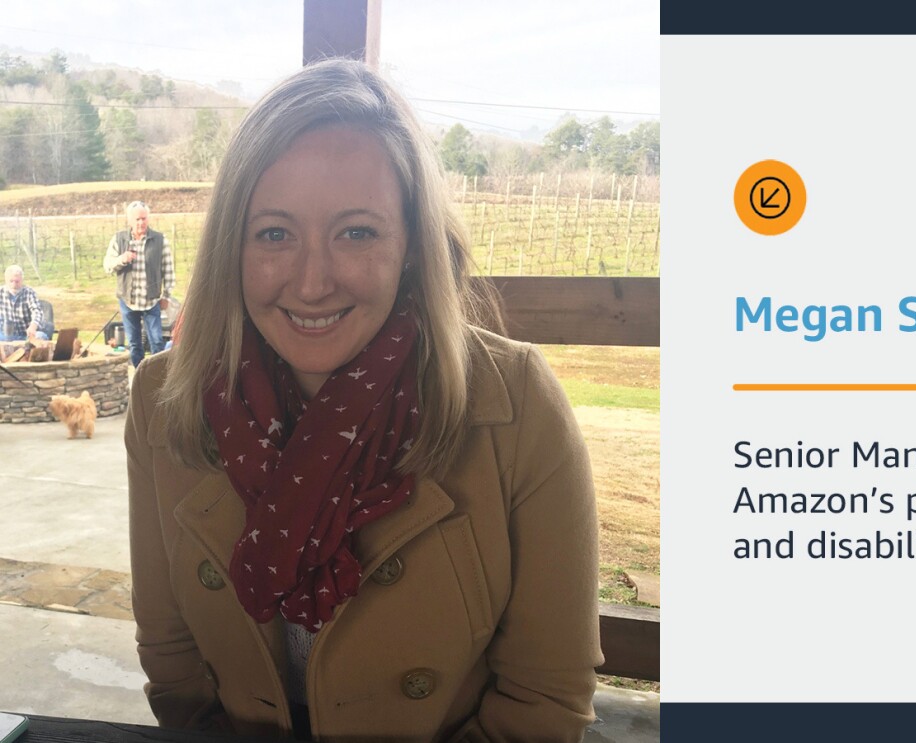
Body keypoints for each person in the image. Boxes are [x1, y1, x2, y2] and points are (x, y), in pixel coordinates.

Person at [126, 59, 602, 743]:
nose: (313, 280)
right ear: (232, 246)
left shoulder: (517, 405)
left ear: (411, 245)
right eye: (274, 233)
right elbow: (174, 664)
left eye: (356, 231)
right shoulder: (163, 400)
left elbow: (543, 699)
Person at [104, 200, 175, 367]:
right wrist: (123, 259)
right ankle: (139, 379)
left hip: (152, 300)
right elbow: (107, 266)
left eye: (144, 218)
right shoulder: (118, 239)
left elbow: (169, 270)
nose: (141, 222)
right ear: (129, 220)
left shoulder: (159, 240)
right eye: (137, 219)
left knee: (157, 342)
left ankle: (159, 378)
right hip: (128, 301)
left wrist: (166, 296)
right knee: (135, 344)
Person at [1, 265, 48, 342]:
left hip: (26, 335)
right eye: (11, 281)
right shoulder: (1, 292)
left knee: (40, 336)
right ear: (6, 280)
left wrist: (33, 326)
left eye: (17, 281)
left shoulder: (29, 292)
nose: (14, 284)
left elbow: (37, 311)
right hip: (5, 335)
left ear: (22, 280)